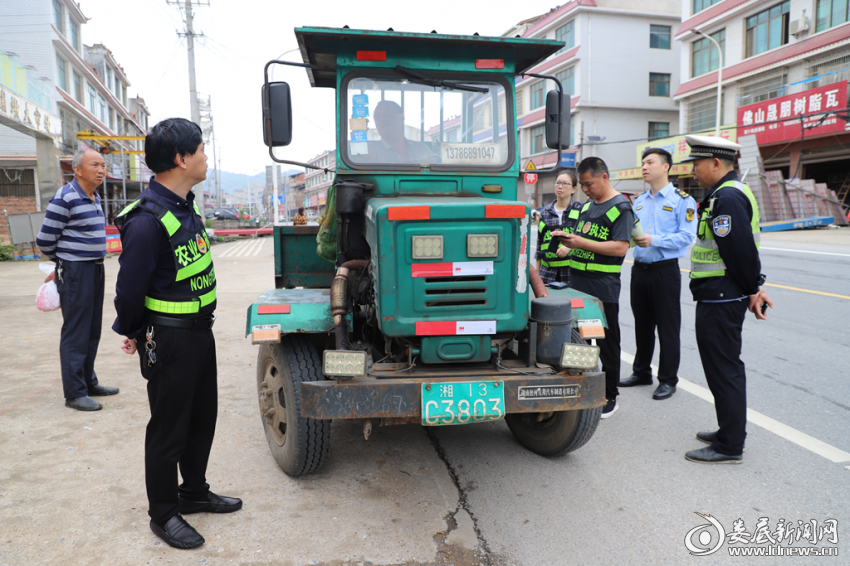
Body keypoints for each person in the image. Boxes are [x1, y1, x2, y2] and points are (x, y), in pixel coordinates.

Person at [112, 118, 242, 549]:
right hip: (169, 339)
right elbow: (130, 290)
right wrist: (134, 331)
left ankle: (194, 492)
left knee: (202, 418)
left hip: (200, 333)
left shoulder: (187, 207)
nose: (206, 156)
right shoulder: (146, 220)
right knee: (169, 429)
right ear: (181, 159)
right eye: (201, 149)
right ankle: (164, 513)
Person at [682, 134, 773, 464]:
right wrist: (752, 287)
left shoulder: (728, 197)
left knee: (724, 369)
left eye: (697, 163)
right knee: (719, 368)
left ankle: (730, 445)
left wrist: (753, 289)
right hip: (718, 294)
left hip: (722, 296)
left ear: (716, 163)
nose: (693, 170)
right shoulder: (725, 194)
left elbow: (741, 252)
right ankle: (727, 431)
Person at [36, 149, 119, 411]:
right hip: (76, 271)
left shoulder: (94, 197)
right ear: (77, 169)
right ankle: (74, 393)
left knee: (92, 328)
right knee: (76, 331)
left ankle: (88, 382)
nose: (101, 170)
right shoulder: (65, 198)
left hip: (95, 268)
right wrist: (62, 263)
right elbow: (44, 240)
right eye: (95, 164)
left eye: (103, 165)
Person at [554, 157, 633, 419]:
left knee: (606, 343)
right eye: (583, 185)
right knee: (580, 340)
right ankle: (581, 386)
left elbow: (620, 247)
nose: (585, 189)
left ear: (604, 177)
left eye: (589, 184)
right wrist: (567, 239)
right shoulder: (587, 207)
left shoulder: (621, 207)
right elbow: (583, 237)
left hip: (602, 288)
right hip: (579, 285)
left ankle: (610, 395)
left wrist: (581, 244)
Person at [620, 148, 697, 401]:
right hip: (639, 271)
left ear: (665, 167)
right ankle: (641, 372)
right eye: (642, 162)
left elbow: (686, 236)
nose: (644, 167)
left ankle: (668, 380)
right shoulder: (639, 201)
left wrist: (654, 239)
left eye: (650, 162)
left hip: (665, 272)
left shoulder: (682, 200)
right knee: (642, 326)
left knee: (667, 328)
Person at [536, 170, 584, 286]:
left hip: (571, 273)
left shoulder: (580, 211)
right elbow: (540, 245)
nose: (560, 186)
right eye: (557, 183)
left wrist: (569, 247)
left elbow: (585, 238)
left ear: (574, 189)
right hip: (547, 274)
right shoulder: (545, 212)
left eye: (565, 183)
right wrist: (536, 277)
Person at [365, 100, 433, 164]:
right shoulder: (370, 151)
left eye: (387, 114)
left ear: (401, 117)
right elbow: (360, 155)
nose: (382, 119)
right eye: (378, 117)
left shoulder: (422, 150)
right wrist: (360, 132)